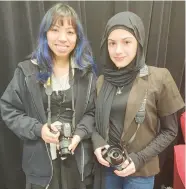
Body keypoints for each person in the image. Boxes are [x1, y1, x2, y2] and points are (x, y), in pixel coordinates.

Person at [0, 3, 96, 189]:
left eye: (70, 32)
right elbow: (8, 110)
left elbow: (93, 112)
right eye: (55, 30)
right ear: (45, 33)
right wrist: (38, 129)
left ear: (78, 38)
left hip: (78, 164)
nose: (62, 38)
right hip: (40, 166)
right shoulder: (27, 71)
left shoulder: (87, 74)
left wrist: (79, 135)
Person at [91, 11, 185, 189]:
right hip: (108, 165)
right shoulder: (102, 81)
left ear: (139, 43)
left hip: (140, 170)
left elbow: (170, 131)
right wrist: (98, 145)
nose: (118, 50)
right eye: (112, 43)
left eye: (126, 42)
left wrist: (138, 159)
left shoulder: (159, 77)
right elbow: (94, 123)